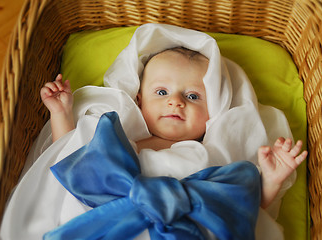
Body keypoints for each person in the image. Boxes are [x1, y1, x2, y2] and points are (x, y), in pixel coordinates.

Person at [40, 46, 308, 210]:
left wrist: (271, 181)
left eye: (192, 96)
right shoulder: (118, 137)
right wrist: (60, 112)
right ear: (139, 100)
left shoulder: (214, 157)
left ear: (213, 112)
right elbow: (69, 162)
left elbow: (240, 208)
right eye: (162, 91)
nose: (175, 102)